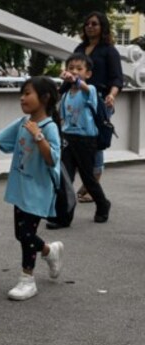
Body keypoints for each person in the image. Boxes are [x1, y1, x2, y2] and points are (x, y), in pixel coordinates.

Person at [0, 77, 65, 301]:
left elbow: (51, 159)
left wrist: (38, 136)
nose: (22, 97)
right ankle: (49, 250)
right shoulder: (21, 123)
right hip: (20, 188)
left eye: (28, 93)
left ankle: (27, 280)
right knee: (21, 234)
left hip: (38, 190)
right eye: (22, 93)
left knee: (26, 234)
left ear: (45, 98)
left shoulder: (50, 127)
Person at [48, 53, 111, 228]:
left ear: (88, 74)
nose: (74, 71)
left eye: (79, 69)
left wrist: (73, 80)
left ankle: (103, 204)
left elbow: (82, 86)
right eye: (70, 68)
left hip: (85, 141)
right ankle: (64, 217)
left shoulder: (89, 91)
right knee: (65, 179)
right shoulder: (67, 93)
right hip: (68, 139)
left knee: (88, 179)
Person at [72, 11, 123, 203]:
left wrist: (112, 95)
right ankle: (88, 181)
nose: (90, 26)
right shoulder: (80, 48)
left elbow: (117, 77)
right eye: (87, 24)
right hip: (78, 100)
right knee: (77, 139)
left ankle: (93, 184)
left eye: (94, 24)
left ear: (102, 27)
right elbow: (73, 74)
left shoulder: (109, 51)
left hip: (101, 101)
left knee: (96, 141)